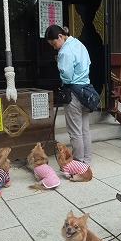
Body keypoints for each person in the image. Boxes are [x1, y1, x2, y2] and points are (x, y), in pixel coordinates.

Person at [45, 25, 92, 164]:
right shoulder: (79, 44)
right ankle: (86, 161)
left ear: (60, 36)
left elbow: (67, 77)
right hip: (86, 91)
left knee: (75, 132)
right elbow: (88, 63)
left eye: (54, 44)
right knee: (85, 130)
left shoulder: (65, 52)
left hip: (73, 93)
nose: (54, 47)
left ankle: (77, 162)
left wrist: (59, 63)